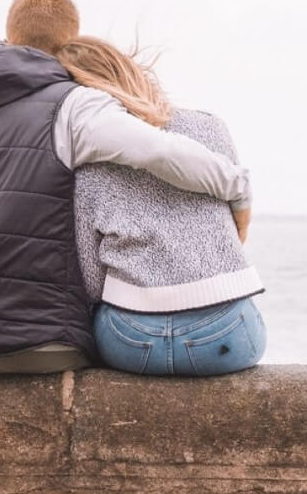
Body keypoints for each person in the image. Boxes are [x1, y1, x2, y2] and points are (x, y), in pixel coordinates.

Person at [0, 0, 252, 375]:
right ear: (70, 42)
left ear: (9, 36)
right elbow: (160, 152)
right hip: (47, 345)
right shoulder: (74, 106)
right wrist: (237, 186)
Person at [56, 36, 267, 376]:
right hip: (225, 335)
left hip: (130, 339)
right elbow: (230, 234)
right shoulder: (210, 126)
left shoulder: (87, 155)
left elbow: (91, 280)